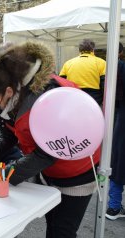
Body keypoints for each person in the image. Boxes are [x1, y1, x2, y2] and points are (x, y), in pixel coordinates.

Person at [0, 42, 101, 238]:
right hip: (50, 170)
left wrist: (3, 174)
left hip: (76, 173)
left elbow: (47, 153)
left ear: (8, 91)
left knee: (62, 231)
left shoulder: (47, 99)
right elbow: (9, 132)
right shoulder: (17, 95)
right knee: (53, 225)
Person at [106, 42, 125, 220]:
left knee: (119, 160)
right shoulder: (118, 66)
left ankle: (114, 206)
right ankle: (114, 206)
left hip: (120, 117)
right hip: (120, 116)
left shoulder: (117, 66)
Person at [59, 38, 106, 105]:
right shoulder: (101, 62)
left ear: (79, 49)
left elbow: (61, 81)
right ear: (93, 49)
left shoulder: (68, 63)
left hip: (73, 95)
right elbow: (104, 83)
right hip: (94, 97)